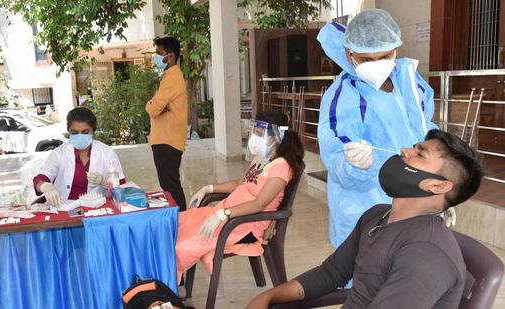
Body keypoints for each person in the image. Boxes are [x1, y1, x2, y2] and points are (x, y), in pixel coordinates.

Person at [246, 129, 483, 309]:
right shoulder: (377, 215)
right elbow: (331, 274)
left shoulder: (426, 255)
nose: (404, 150)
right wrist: (268, 297)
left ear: (437, 185)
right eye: (414, 146)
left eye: (419, 153)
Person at [317, 9, 439, 248]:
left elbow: (427, 133)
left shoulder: (412, 85)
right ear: (349, 53)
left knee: (407, 269)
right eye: (366, 59)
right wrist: (356, 165)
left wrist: (439, 193)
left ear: (395, 50)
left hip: (412, 201)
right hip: (365, 206)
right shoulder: (343, 95)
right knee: (363, 274)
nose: (376, 65)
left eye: (383, 57)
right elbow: (335, 152)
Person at [176, 111, 304, 284]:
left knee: (182, 245)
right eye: (255, 131)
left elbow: (259, 204)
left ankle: (172, 288)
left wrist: (223, 214)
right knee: (177, 225)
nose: (255, 137)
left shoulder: (281, 167)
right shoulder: (262, 158)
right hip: (230, 214)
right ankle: (174, 282)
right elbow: (239, 183)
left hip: (245, 225)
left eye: (261, 133)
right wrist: (208, 189)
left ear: (276, 136)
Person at [33, 107, 125, 207]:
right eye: (74, 133)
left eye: (85, 132)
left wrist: (104, 181)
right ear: (68, 131)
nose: (80, 136)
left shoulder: (107, 152)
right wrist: (45, 186)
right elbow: (40, 179)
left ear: (93, 131)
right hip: (64, 207)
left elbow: (122, 187)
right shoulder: (59, 153)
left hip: (98, 207)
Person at [146, 36, 188, 211]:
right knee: (169, 184)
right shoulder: (169, 76)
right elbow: (157, 107)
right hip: (165, 140)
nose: (155, 57)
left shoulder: (172, 78)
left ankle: (182, 219)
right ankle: (180, 218)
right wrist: (155, 105)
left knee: (170, 186)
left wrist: (150, 105)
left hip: (167, 141)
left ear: (170, 56)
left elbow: (153, 109)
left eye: (158, 53)